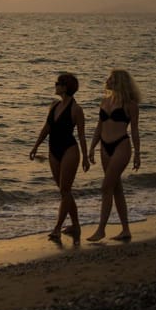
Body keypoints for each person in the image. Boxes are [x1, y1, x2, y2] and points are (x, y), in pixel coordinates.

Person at [29, 73, 90, 242]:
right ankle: (76, 224)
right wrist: (35, 146)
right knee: (65, 192)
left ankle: (57, 228)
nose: (55, 85)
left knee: (65, 190)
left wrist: (85, 157)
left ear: (65, 87)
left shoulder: (76, 109)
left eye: (58, 83)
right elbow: (47, 127)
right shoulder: (54, 105)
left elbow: (82, 135)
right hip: (53, 150)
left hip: (69, 150)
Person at [87, 69, 142, 242]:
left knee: (106, 187)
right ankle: (125, 230)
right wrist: (92, 147)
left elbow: (134, 130)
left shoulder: (130, 105)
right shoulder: (104, 101)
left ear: (119, 81)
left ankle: (101, 229)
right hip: (104, 147)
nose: (107, 80)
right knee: (116, 188)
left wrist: (138, 154)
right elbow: (99, 126)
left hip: (121, 146)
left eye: (111, 78)